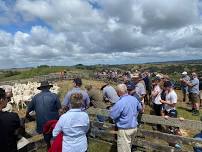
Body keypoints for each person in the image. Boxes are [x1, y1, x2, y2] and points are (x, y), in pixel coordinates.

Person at [26, 81, 61, 149]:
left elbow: (28, 110)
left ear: (41, 88)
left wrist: (27, 116)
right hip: (53, 124)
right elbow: (60, 110)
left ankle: (49, 146)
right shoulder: (54, 96)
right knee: (54, 138)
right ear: (49, 87)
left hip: (42, 125)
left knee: (47, 139)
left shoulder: (35, 97)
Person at [110, 84, 142, 152]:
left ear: (118, 92)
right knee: (128, 147)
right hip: (134, 127)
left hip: (125, 129)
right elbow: (140, 108)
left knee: (123, 149)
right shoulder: (134, 99)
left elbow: (112, 115)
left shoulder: (120, 102)